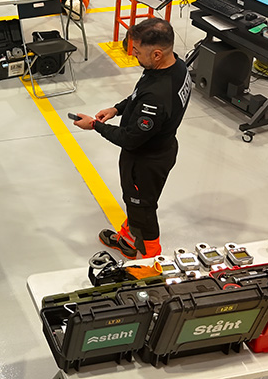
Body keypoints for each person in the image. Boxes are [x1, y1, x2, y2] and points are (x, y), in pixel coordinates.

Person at [73, 17, 191, 259]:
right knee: (137, 203)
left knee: (143, 208)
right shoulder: (174, 67)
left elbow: (130, 138)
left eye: (137, 51)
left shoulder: (157, 97)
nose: (133, 55)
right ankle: (129, 236)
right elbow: (139, 95)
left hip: (145, 160)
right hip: (161, 149)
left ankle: (148, 258)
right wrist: (117, 109)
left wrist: (95, 125)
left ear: (157, 54)